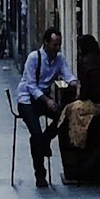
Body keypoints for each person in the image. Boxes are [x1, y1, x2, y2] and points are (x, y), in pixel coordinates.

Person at [16, 27, 78, 188]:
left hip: (42, 99)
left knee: (63, 117)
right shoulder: (34, 58)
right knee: (35, 134)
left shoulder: (59, 59)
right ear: (45, 43)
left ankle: (46, 140)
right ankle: (40, 174)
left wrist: (74, 82)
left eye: (59, 45)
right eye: (54, 45)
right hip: (27, 100)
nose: (57, 49)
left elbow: (67, 74)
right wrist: (46, 101)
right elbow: (30, 85)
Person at [58, 34, 100, 185]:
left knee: (67, 112)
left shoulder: (84, 62)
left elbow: (85, 92)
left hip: (94, 105)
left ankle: (74, 150)